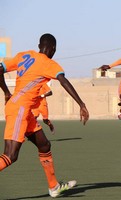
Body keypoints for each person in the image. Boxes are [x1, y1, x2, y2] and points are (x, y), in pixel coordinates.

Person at [0, 33, 89, 198]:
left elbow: (0, 68)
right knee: (10, 155)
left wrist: (6, 92)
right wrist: (81, 104)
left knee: (44, 145)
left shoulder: (24, 55)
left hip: (24, 111)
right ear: (53, 48)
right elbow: (63, 80)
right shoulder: (48, 63)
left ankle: (54, 187)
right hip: (20, 110)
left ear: (39, 45)